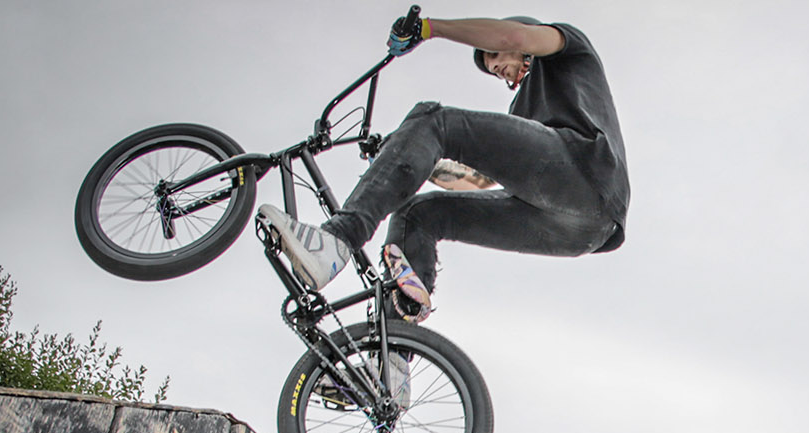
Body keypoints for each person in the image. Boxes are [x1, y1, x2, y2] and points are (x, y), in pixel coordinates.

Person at [257, 12, 628, 323]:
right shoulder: (522, 117)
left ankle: (337, 239)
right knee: (419, 213)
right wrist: (402, 158)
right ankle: (393, 361)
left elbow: (513, 34)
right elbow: (478, 182)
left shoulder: (566, 50)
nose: (496, 67)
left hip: (585, 173)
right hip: (578, 231)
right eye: (489, 66)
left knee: (434, 119)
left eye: (496, 56)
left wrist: (431, 29)